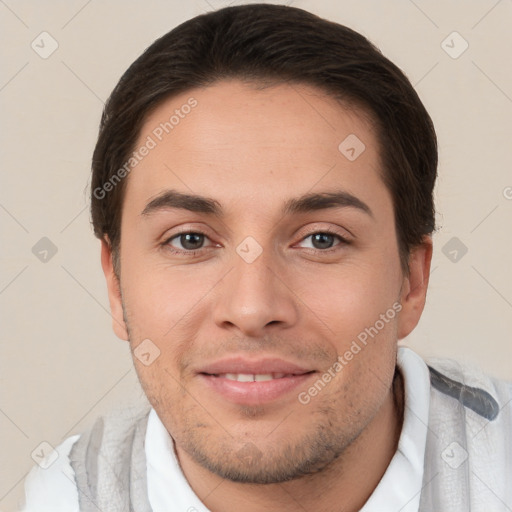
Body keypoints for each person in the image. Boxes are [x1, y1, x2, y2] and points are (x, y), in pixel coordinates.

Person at [21, 3, 512, 511]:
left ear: (411, 281)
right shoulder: (62, 499)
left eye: (322, 239)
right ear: (116, 284)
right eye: (190, 240)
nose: (252, 309)